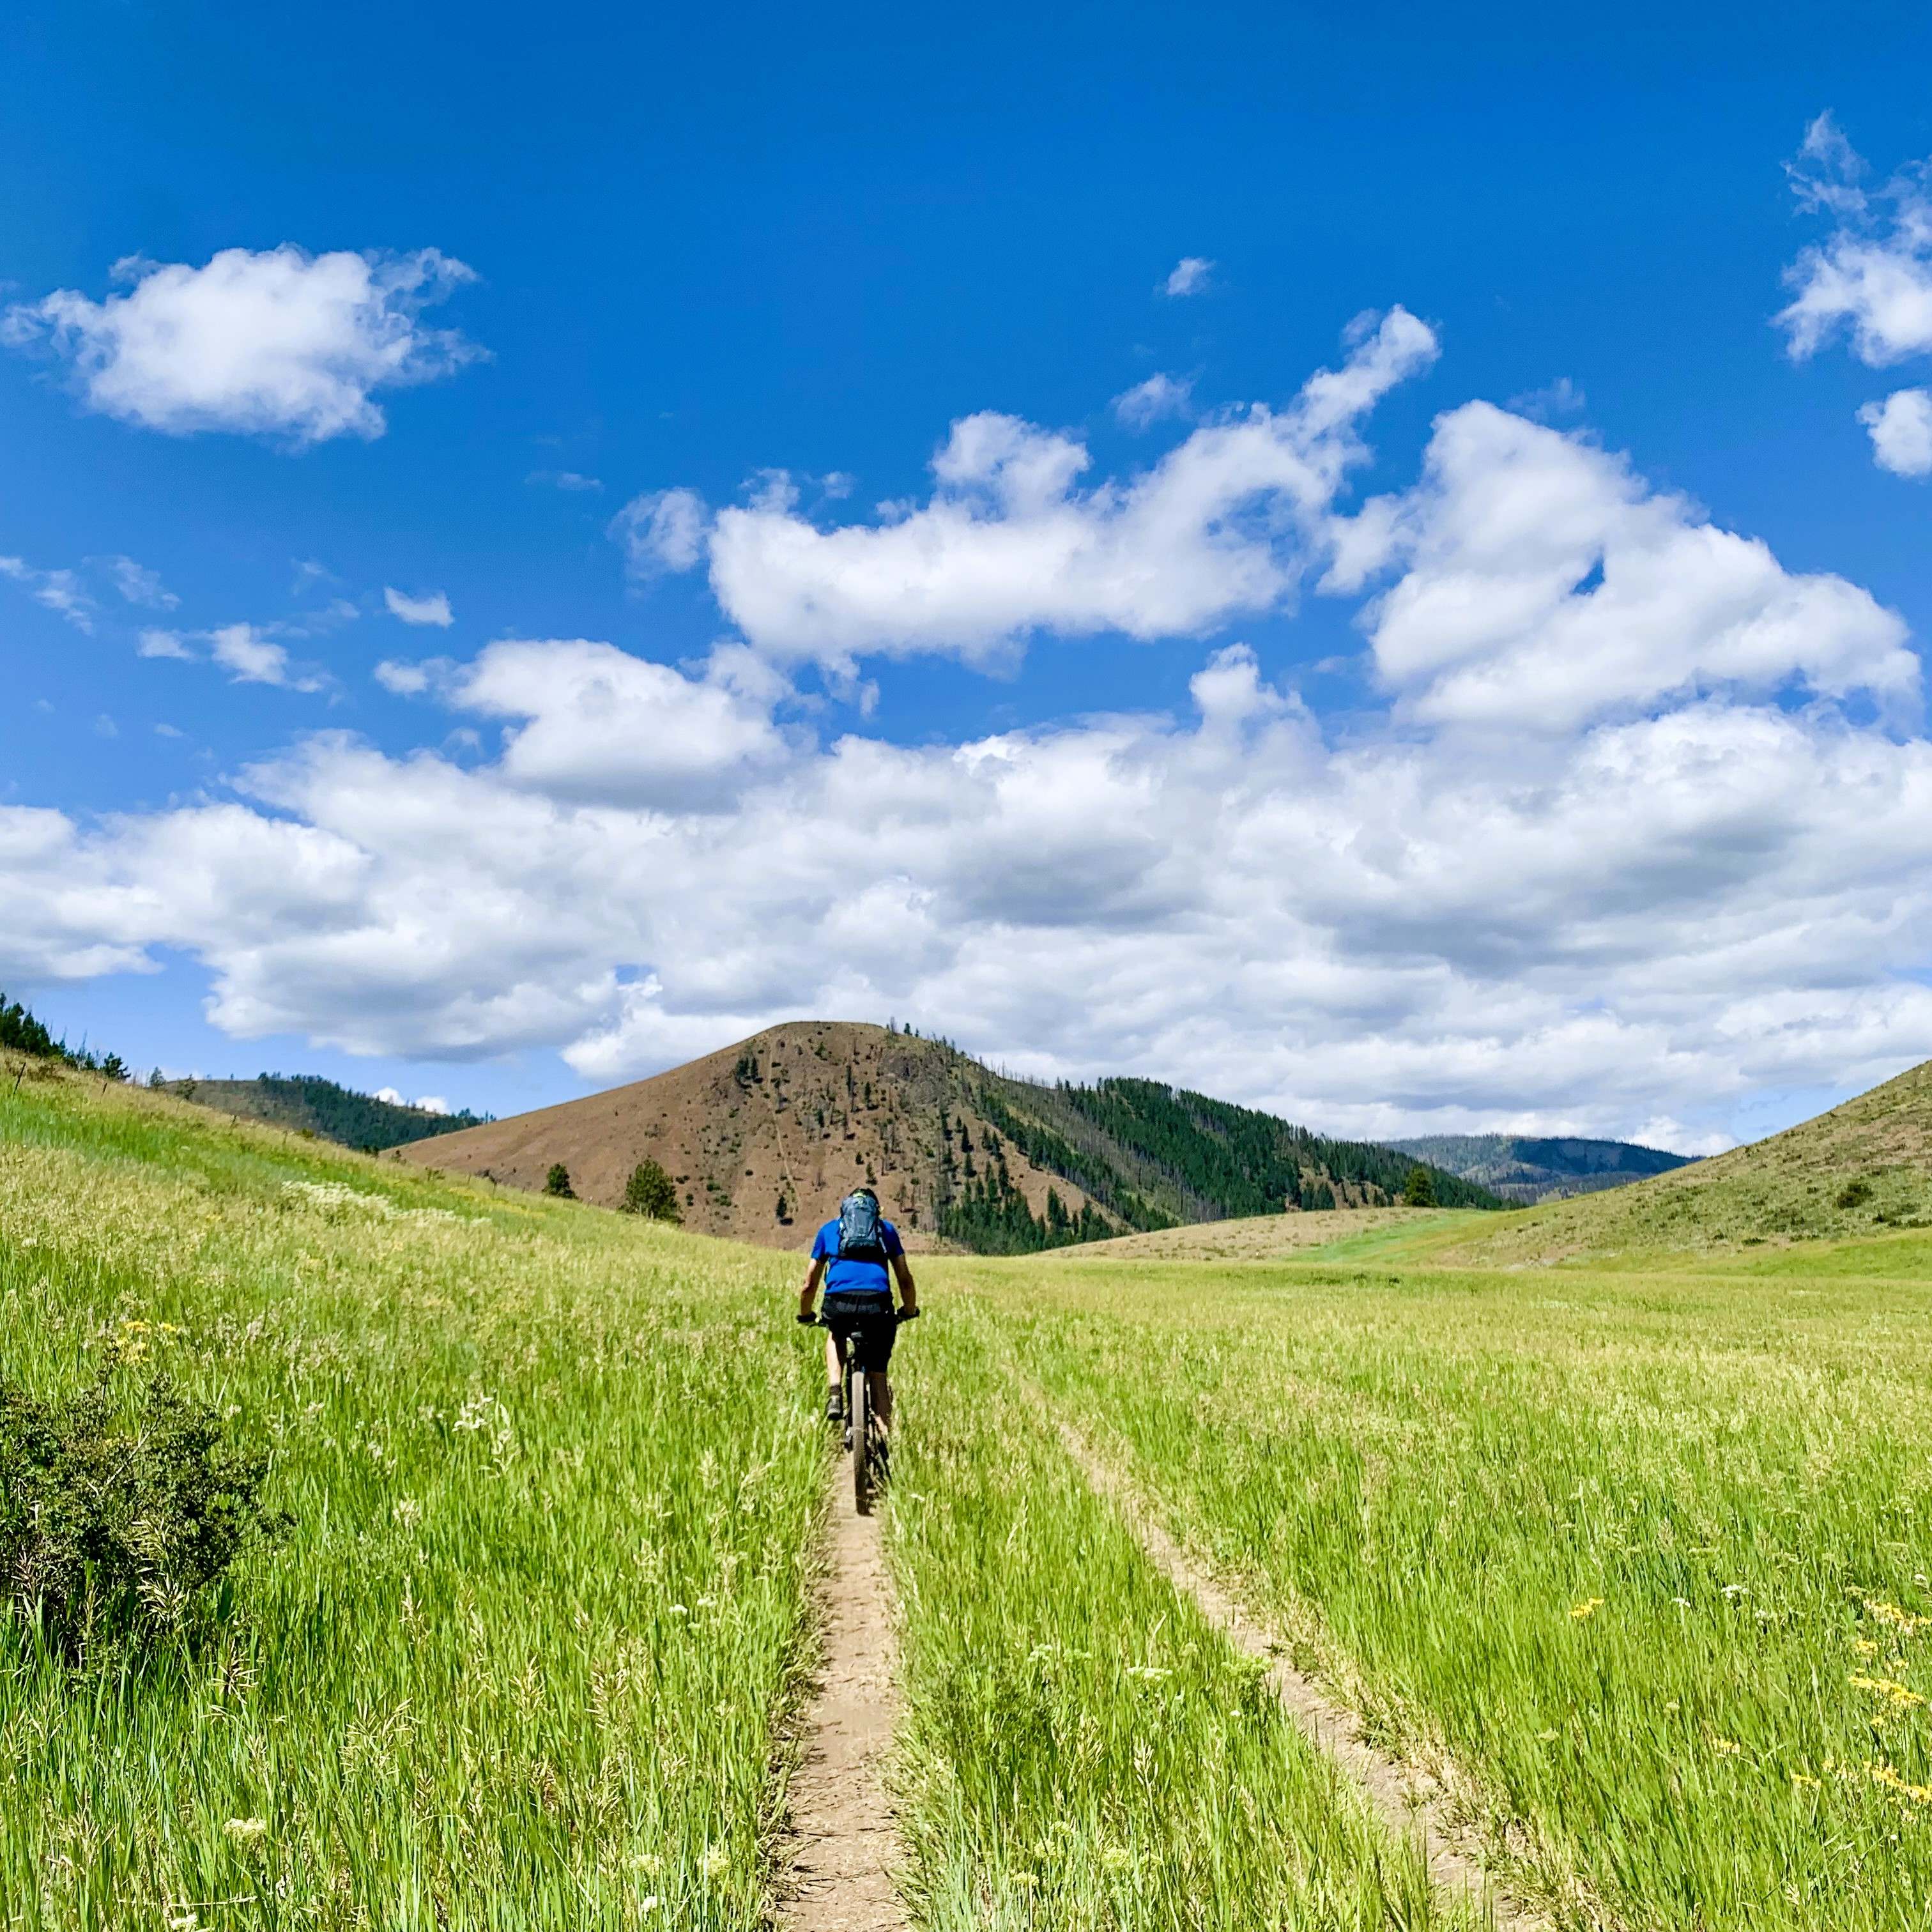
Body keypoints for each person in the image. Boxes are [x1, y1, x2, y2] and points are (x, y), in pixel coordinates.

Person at [798, 1186, 919, 1431]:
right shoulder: (886, 1231)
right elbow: (904, 1278)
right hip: (878, 1305)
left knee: (835, 1334)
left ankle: (835, 1391)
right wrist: (909, 1310)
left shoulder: (829, 1230)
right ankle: (886, 1439)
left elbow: (809, 1282)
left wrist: (805, 1313)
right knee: (878, 1373)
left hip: (838, 1302)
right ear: (876, 1211)